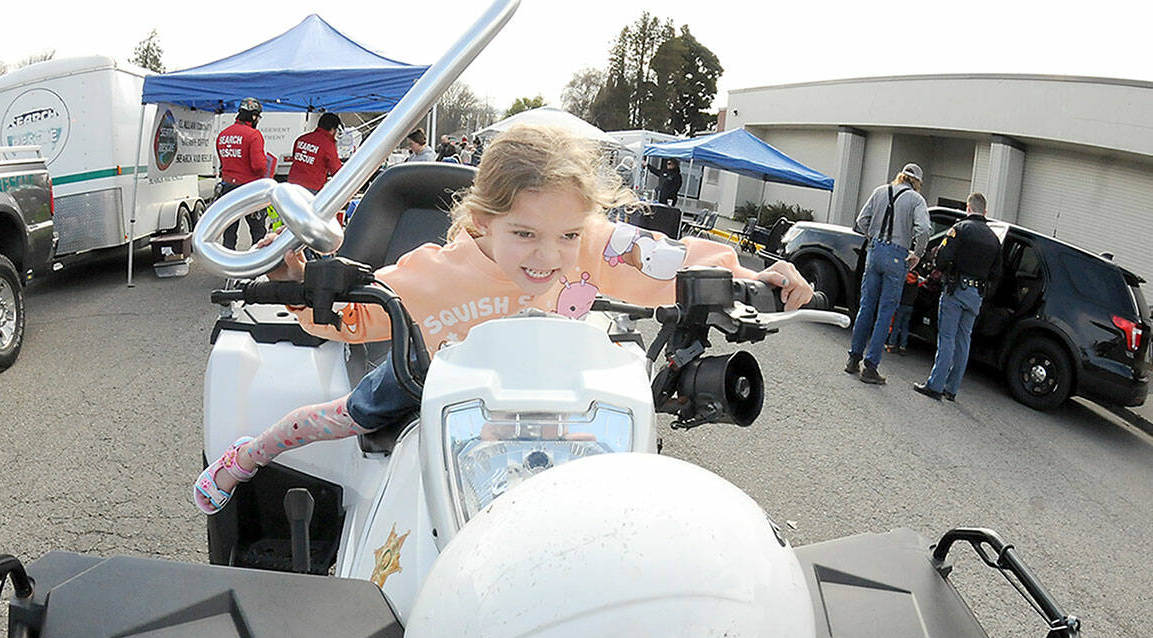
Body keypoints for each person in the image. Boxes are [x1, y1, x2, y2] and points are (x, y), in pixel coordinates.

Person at [193, 125, 817, 514]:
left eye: (568, 233)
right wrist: (301, 289)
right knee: (338, 415)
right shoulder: (436, 271)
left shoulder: (591, 245)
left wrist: (749, 275)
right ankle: (248, 455)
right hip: (430, 375)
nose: (550, 256)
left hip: (544, 387)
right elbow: (356, 317)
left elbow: (668, 263)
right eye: (525, 234)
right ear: (480, 221)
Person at [845, 163, 931, 384]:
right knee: (886, 312)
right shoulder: (916, 200)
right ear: (917, 182)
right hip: (897, 254)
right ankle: (871, 367)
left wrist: (872, 238)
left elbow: (860, 221)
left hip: (875, 252)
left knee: (866, 307)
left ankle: (853, 359)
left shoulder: (879, 191)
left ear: (900, 176)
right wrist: (917, 254)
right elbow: (923, 230)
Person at [914, 192, 1002, 401]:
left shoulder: (960, 229)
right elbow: (997, 273)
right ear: (985, 212)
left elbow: (942, 258)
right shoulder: (994, 239)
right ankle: (951, 389)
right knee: (964, 340)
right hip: (976, 295)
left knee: (946, 339)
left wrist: (942, 271)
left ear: (968, 208)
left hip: (956, 290)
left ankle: (935, 385)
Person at [215, 98, 273, 249]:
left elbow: (223, 162)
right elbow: (259, 167)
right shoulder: (254, 135)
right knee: (258, 231)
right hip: (249, 189)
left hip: (227, 188)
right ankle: (258, 266)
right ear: (253, 116)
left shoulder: (223, 135)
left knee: (229, 231)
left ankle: (228, 266)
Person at [286, 112, 344, 194]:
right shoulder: (328, 145)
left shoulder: (302, 139)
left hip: (292, 184)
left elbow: (294, 157)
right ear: (333, 129)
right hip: (311, 187)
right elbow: (336, 171)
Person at [885, 271, 921, 355]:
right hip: (910, 307)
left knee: (896, 325)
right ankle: (903, 346)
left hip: (902, 305)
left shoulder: (904, 283)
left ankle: (891, 344)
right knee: (905, 327)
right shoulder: (915, 284)